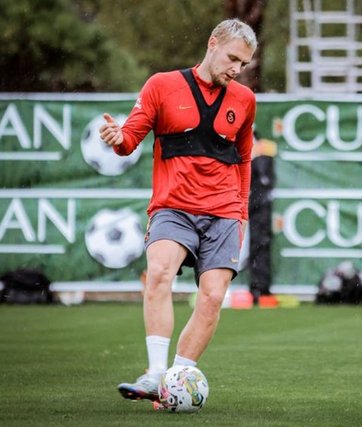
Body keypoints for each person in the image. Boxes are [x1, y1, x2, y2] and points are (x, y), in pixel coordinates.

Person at [99, 18, 257, 402]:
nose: (237, 69)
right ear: (212, 43)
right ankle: (155, 374)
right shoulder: (162, 85)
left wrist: (241, 213)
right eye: (233, 58)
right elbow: (129, 139)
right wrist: (117, 138)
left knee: (213, 296)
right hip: (173, 207)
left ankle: (178, 378)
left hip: (224, 212)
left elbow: (243, 160)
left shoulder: (245, 100)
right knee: (158, 273)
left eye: (243, 64)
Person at [248, 133, 277, 304]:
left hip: (255, 208)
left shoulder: (262, 147)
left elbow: (264, 183)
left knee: (260, 244)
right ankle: (258, 288)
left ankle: (260, 288)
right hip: (243, 205)